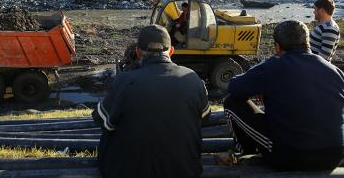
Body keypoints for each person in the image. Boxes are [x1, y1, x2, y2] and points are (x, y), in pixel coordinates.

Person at [223, 20, 344, 171]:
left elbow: (234, 87)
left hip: (290, 156)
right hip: (334, 157)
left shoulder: (274, 66)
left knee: (231, 102)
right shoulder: (334, 71)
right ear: (307, 42)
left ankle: (246, 152)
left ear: (277, 46)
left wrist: (260, 86)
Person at [92, 24, 210, 178]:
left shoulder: (125, 80)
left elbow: (100, 119)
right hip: (185, 171)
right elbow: (205, 119)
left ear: (138, 52)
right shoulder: (193, 79)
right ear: (171, 51)